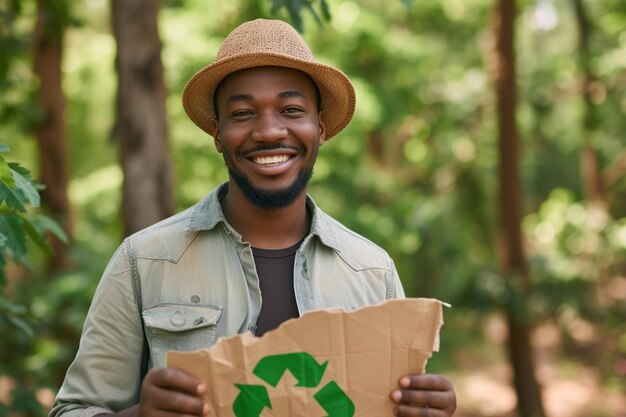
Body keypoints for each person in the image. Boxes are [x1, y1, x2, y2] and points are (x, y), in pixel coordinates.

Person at [50, 18, 457, 417]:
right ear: (217, 134)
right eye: (243, 113)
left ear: (320, 128)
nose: (268, 131)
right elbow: (73, 410)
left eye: (291, 109)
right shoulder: (143, 261)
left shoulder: (372, 271)